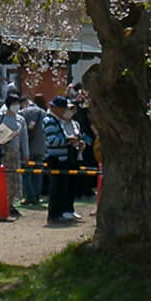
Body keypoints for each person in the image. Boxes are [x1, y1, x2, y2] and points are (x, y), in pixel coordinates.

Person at [41, 95, 84, 225]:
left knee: (63, 186)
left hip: (64, 157)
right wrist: (68, 140)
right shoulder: (49, 120)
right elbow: (52, 140)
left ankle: (63, 212)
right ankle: (54, 215)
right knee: (56, 187)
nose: (64, 111)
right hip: (55, 158)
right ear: (54, 108)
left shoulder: (58, 120)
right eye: (62, 108)